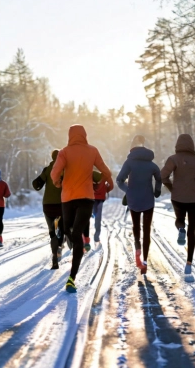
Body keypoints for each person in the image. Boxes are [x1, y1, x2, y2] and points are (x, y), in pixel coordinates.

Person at [51, 125, 114, 293]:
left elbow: (54, 173)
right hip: (86, 198)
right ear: (84, 135)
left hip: (68, 198)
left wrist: (58, 183)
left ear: (70, 136)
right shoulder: (92, 150)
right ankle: (72, 277)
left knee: (70, 232)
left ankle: (71, 278)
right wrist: (108, 183)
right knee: (77, 234)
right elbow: (106, 171)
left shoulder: (64, 152)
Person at [161, 134, 195, 282]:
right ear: (192, 145)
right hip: (193, 199)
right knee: (193, 231)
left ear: (178, 145)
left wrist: (172, 187)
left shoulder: (173, 159)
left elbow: (162, 176)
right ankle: (189, 263)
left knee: (179, 220)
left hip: (177, 198)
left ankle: (180, 228)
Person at [116, 135, 161, 275]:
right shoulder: (151, 164)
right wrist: (157, 191)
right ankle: (145, 261)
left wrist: (127, 191)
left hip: (133, 200)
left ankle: (137, 249)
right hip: (148, 200)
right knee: (147, 229)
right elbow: (159, 178)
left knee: (136, 227)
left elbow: (119, 180)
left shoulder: (129, 163)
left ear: (132, 148)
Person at [33, 149, 66, 270]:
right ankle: (59, 249)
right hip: (61, 205)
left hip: (47, 205)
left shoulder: (47, 170)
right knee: (61, 229)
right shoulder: (64, 170)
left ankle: (54, 259)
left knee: (52, 232)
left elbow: (36, 184)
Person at [92, 170, 113, 245]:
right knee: (98, 217)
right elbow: (111, 185)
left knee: (92, 214)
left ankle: (85, 238)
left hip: (92, 197)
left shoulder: (90, 173)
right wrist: (106, 190)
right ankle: (96, 237)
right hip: (100, 198)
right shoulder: (105, 175)